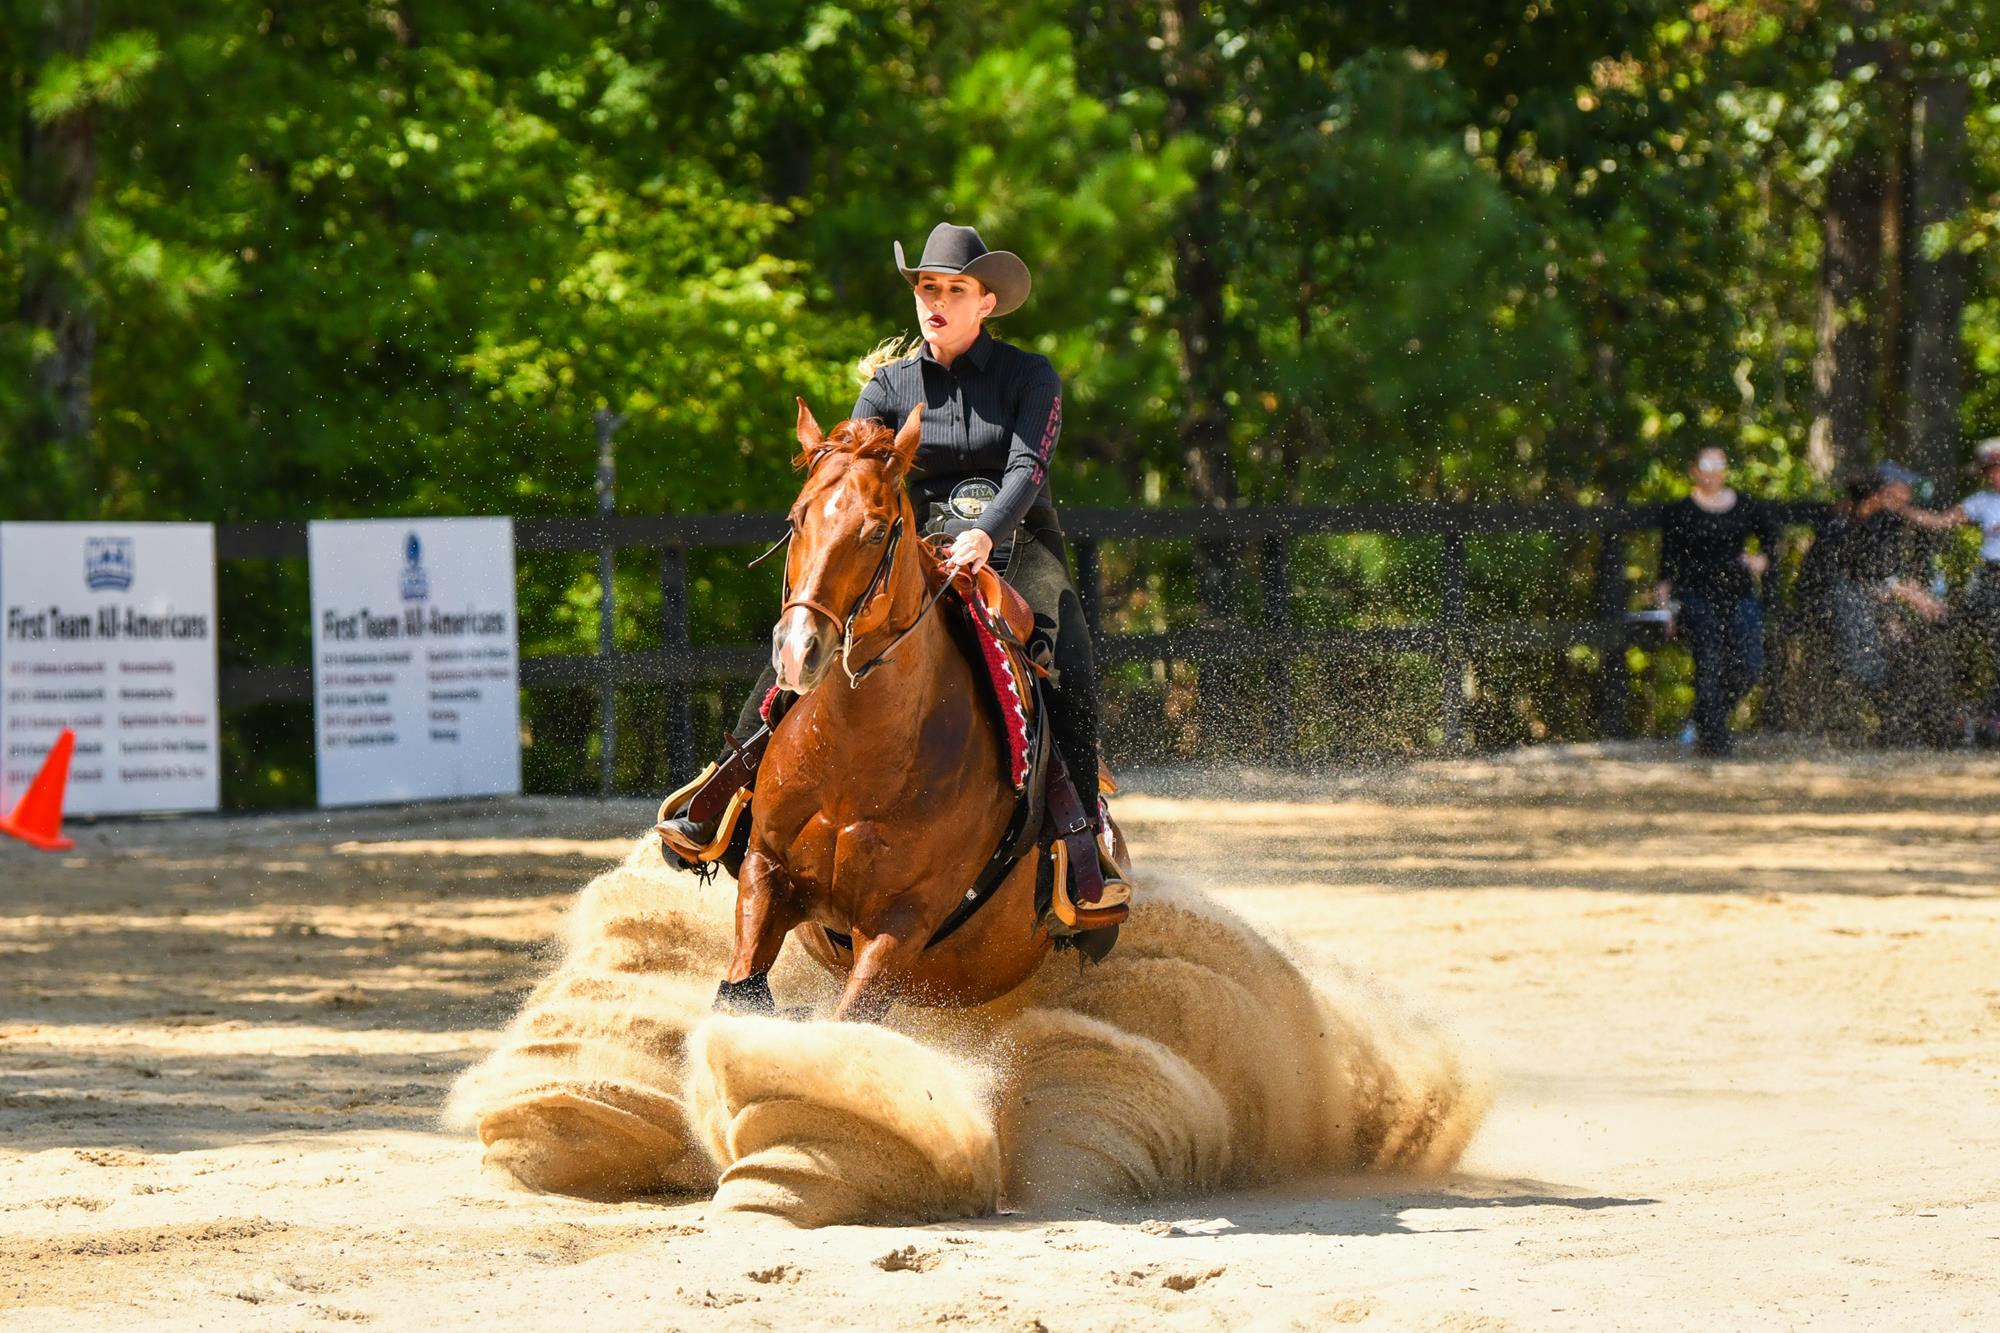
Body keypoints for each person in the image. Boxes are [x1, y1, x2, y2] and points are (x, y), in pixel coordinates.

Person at [658, 222, 1125, 894]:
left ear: (986, 301)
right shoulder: (887, 387)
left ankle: (1079, 841)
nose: (935, 299)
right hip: (904, 547)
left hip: (1015, 544)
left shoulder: (1031, 377)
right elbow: (851, 480)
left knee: (1069, 652)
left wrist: (987, 532)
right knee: (807, 630)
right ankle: (725, 792)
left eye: (953, 289)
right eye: (927, 287)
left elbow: (1029, 466)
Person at [1654, 445, 1777, 756]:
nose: (1712, 472)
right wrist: (1665, 609)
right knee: (1708, 663)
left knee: (1750, 663)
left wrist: (1762, 559)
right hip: (1696, 597)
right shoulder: (1681, 511)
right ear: (1695, 470)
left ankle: (1704, 719)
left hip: (1739, 595)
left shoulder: (1745, 506)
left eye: (1718, 464)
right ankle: (1715, 741)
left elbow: (1771, 537)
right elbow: (1667, 565)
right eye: (1706, 464)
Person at [1882, 437, 2000, 735]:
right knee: (1955, 629)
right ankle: (1958, 710)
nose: (1992, 476)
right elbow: (1940, 522)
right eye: (1989, 471)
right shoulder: (1981, 502)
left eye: (1996, 469)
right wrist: (1904, 510)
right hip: (1990, 578)